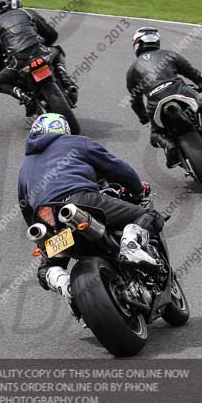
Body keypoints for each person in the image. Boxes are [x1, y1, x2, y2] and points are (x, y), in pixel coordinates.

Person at [17, 113, 163, 314]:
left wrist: (44, 237)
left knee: (47, 266)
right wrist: (137, 189)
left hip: (45, 218)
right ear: (62, 129)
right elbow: (115, 167)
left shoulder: (25, 166)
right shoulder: (75, 142)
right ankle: (130, 244)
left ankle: (63, 284)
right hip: (81, 201)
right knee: (149, 216)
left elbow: (25, 207)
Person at [126, 27, 202, 168]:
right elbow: (193, 73)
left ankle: (170, 147)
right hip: (180, 91)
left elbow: (135, 101)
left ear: (137, 44)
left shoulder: (132, 70)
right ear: (156, 41)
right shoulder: (169, 55)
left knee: (155, 135)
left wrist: (143, 118)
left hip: (155, 105)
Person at [0, 0, 78, 116]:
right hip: (41, 53)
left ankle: (25, 98)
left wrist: (1, 66)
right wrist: (44, 46)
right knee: (57, 50)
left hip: (18, 62)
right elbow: (51, 34)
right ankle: (66, 80)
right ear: (20, 5)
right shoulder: (28, 13)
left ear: (0, 8)